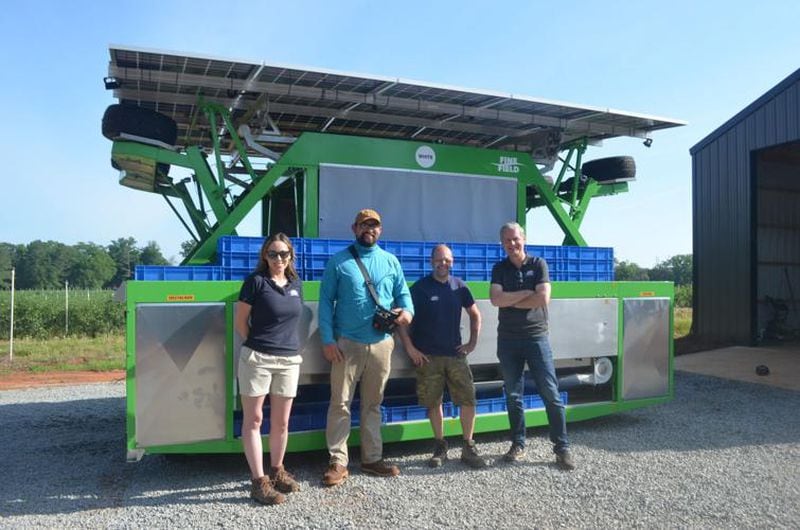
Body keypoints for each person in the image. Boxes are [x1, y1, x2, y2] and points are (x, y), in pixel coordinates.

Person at [319, 208, 414, 486]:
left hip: (382, 344)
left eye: (374, 226)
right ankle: (338, 462)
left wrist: (407, 313)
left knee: (373, 404)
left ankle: (372, 459)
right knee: (340, 404)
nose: (368, 230)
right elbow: (325, 302)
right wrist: (327, 340)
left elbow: (404, 296)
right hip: (346, 344)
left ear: (380, 230)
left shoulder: (391, 261)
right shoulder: (339, 262)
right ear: (354, 228)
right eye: (364, 225)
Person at [489, 221, 575, 470]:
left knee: (550, 392)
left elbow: (543, 298)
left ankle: (562, 448)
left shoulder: (538, 264)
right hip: (507, 340)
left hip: (536, 338)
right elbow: (495, 298)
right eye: (507, 240)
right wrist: (526, 293)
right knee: (513, 395)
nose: (512, 244)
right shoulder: (499, 268)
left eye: (515, 239)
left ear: (523, 239)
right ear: (502, 244)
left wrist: (510, 300)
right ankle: (518, 444)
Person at [398, 244, 486, 469]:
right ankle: (440, 446)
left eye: (446, 260)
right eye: (438, 260)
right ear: (431, 262)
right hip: (428, 358)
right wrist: (410, 349)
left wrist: (472, 343)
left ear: (452, 262)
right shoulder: (419, 289)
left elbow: (475, 314)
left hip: (455, 355)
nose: (442, 264)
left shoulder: (459, 287)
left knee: (468, 399)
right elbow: (402, 321)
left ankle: (468, 446)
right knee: (433, 402)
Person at [234, 233, 304, 505]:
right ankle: (258, 481)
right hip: (258, 358)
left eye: (284, 254)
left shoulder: (296, 284)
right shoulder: (255, 282)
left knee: (282, 422)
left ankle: (277, 471)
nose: (278, 259)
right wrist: (258, 345)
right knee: (254, 421)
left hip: (288, 361)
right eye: (273, 254)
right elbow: (241, 322)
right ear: (265, 256)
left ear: (291, 256)